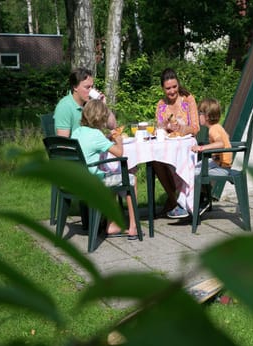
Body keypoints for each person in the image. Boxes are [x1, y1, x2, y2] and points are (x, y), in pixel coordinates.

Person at [71, 100, 140, 240]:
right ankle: (133, 227)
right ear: (101, 118)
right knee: (132, 179)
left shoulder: (77, 132)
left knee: (110, 174)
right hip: (93, 180)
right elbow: (119, 153)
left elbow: (92, 144)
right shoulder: (96, 135)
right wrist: (119, 141)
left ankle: (112, 224)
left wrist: (106, 138)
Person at [154, 68, 200, 219]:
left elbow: (195, 128)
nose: (172, 91)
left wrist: (181, 128)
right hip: (169, 145)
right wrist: (165, 127)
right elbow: (157, 129)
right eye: (168, 88)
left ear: (178, 85)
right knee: (155, 161)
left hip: (187, 146)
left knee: (171, 159)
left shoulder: (188, 99)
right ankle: (174, 199)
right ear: (163, 88)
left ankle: (182, 201)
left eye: (174, 87)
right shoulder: (161, 105)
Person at [191, 98, 232, 216]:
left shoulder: (213, 130)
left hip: (222, 168)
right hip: (221, 163)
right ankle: (204, 197)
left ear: (207, 116)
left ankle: (202, 200)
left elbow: (221, 143)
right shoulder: (218, 127)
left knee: (194, 172)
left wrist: (201, 148)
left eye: (200, 113)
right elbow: (226, 138)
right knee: (197, 167)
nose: (199, 116)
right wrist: (217, 155)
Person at [54, 67, 116, 137]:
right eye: (87, 87)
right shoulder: (64, 107)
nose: (91, 91)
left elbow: (112, 126)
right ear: (75, 87)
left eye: (92, 87)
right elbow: (63, 143)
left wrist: (103, 105)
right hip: (78, 147)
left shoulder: (90, 104)